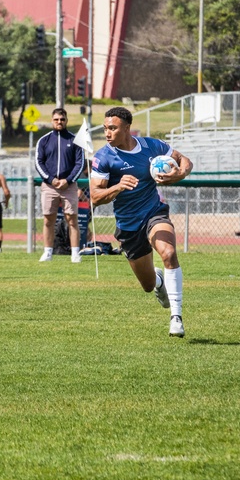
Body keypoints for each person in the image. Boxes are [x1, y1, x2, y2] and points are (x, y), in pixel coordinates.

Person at [90, 107, 193, 338]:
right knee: (147, 285)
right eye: (105, 128)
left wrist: (180, 174)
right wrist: (118, 186)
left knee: (168, 253)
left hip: (154, 213)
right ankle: (158, 281)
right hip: (128, 226)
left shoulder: (151, 146)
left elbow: (184, 160)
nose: (107, 133)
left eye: (113, 128)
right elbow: (95, 196)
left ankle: (176, 317)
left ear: (126, 128)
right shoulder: (103, 157)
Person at [35, 108, 85, 263]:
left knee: (72, 219)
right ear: (52, 120)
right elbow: (38, 162)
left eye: (62, 119)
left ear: (66, 121)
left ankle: (75, 253)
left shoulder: (75, 140)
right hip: (49, 186)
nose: (59, 122)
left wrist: (68, 180)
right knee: (48, 220)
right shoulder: (43, 140)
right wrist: (51, 179)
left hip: (68, 186)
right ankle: (48, 252)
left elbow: (80, 163)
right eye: (56, 119)